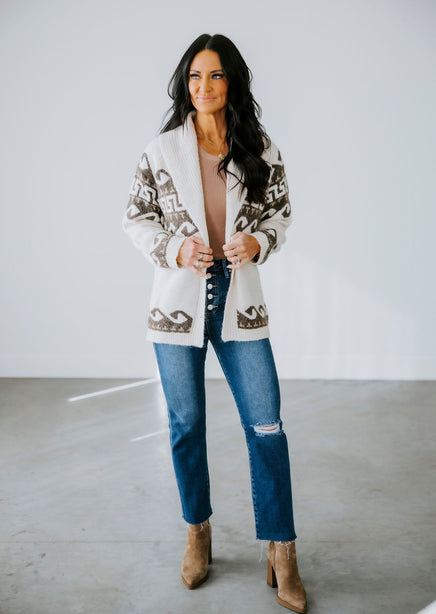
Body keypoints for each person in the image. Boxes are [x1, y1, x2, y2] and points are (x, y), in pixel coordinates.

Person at [122, 33, 307, 613]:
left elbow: (280, 216)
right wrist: (175, 248)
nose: (205, 86)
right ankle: (197, 531)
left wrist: (258, 241)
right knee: (185, 424)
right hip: (177, 302)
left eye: (217, 75)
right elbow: (136, 218)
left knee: (267, 424)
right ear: (186, 83)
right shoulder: (160, 150)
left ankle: (282, 549)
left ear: (233, 82)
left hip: (238, 299)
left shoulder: (261, 149)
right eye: (196, 76)